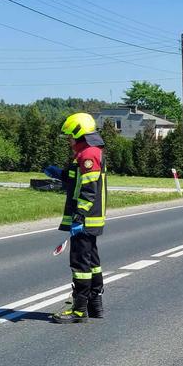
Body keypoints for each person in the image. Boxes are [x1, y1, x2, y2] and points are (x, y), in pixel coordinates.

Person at [44, 113, 107, 323]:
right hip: (91, 219)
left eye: (70, 136)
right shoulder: (88, 152)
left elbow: (89, 190)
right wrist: (59, 174)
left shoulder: (88, 154)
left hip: (85, 219)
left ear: (79, 134)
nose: (69, 141)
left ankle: (79, 310)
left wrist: (79, 217)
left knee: (80, 264)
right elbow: (77, 181)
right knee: (92, 261)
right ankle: (95, 305)